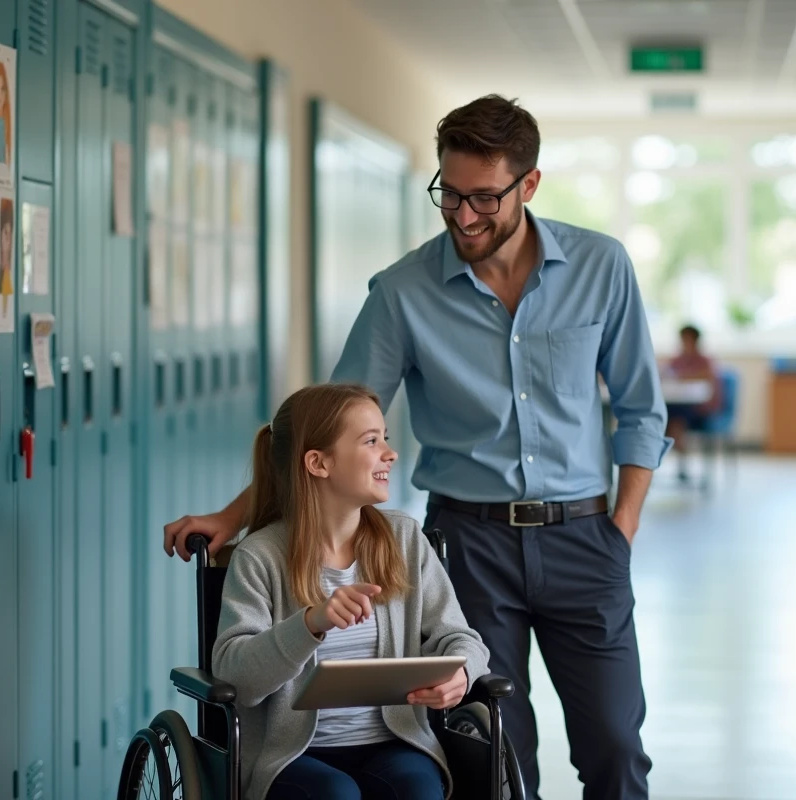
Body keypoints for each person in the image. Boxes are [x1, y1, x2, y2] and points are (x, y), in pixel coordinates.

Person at [165, 94, 670, 800]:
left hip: (586, 535)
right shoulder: (404, 291)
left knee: (615, 746)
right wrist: (235, 515)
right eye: (449, 194)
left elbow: (643, 410)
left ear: (529, 185)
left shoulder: (601, 266)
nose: (463, 216)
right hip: (469, 542)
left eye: (484, 198)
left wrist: (623, 528)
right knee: (497, 751)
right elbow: (325, 431)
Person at [211, 382, 491, 800]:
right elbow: (236, 676)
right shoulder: (260, 557)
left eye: (386, 439)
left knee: (415, 787)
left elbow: (462, 637)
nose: (390, 453)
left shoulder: (405, 539)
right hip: (295, 755)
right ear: (318, 463)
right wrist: (309, 624)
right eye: (371, 441)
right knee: (335, 794)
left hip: (396, 742)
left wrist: (462, 672)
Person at [662, 324, 721, 463]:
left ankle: (680, 449)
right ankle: (677, 448)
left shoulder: (705, 362)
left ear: (696, 341)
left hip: (700, 409)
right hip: (678, 405)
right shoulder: (677, 360)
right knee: (665, 411)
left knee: (677, 415)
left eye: (688, 339)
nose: (684, 343)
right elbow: (667, 374)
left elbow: (707, 378)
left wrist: (683, 376)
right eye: (683, 339)